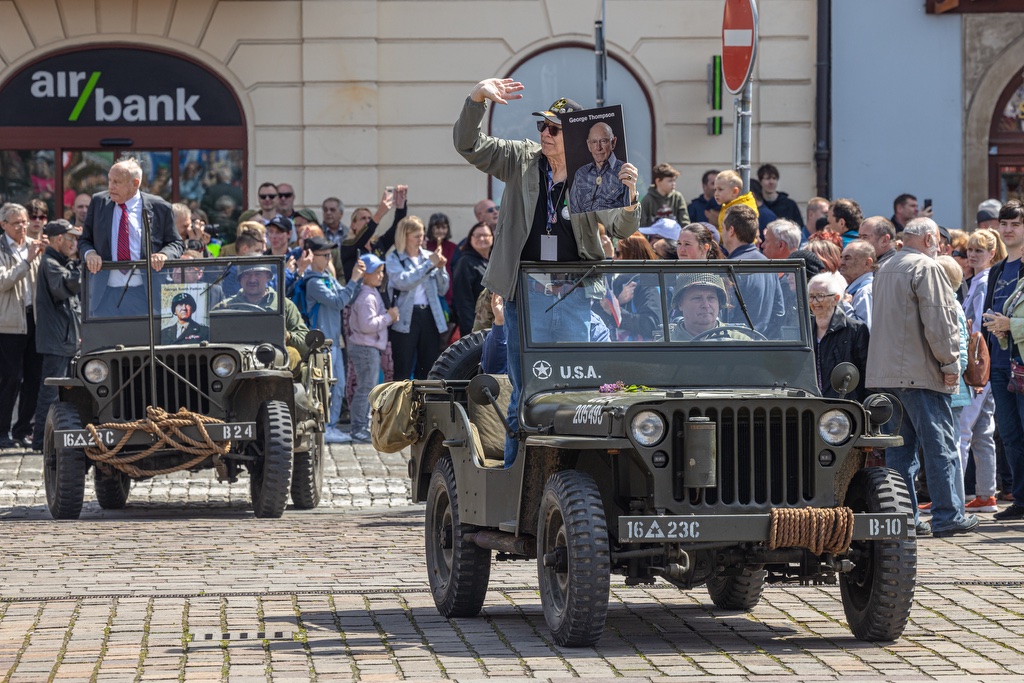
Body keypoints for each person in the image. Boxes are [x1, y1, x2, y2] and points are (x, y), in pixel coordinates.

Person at [454, 78, 640, 466]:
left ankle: (570, 473)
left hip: (573, 296)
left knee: (572, 389)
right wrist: (476, 98)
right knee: (526, 390)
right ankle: (514, 474)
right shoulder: (522, 158)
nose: (544, 133)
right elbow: (468, 144)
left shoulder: (594, 173)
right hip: (526, 294)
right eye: (542, 126)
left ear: (572, 136)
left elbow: (623, 229)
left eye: (554, 128)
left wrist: (630, 196)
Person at [867, 216, 976, 538]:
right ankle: (949, 515)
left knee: (900, 451)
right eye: (939, 242)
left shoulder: (886, 267)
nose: (941, 247)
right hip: (920, 373)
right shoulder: (926, 268)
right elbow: (940, 323)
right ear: (929, 239)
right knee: (939, 446)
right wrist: (951, 365)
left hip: (888, 375)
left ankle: (905, 517)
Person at [79, 157, 183, 316]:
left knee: (141, 341)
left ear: (135, 183)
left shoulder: (159, 207)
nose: (110, 186)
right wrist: (90, 253)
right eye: (110, 180)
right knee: (106, 341)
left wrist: (163, 255)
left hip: (145, 295)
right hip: (104, 295)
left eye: (117, 182)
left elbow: (176, 243)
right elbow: (85, 240)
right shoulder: (99, 202)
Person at [952, 231, 1002, 515]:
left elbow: (977, 328)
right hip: (984, 361)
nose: (972, 255)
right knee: (982, 431)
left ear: (992, 254)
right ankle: (986, 494)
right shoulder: (979, 280)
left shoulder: (983, 281)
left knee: (963, 429)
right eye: (970, 250)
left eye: (979, 251)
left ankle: (955, 496)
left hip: (978, 362)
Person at [297, 236, 365, 442]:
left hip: (334, 341)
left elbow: (347, 296)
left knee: (339, 385)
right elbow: (338, 302)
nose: (329, 259)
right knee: (325, 387)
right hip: (321, 343)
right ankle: (325, 426)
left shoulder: (327, 276)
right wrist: (353, 279)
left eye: (329, 255)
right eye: (325, 255)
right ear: (313, 256)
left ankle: (331, 425)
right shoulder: (313, 282)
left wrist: (359, 279)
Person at [982, 199, 1024, 520]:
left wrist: (1011, 325)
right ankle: (1020, 499)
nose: (1008, 230)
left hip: (1021, 363)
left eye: (1015, 224)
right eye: (1004, 224)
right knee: (1008, 435)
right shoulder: (996, 269)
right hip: (998, 363)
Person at [30, 219, 82, 452]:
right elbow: (64, 287)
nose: (75, 243)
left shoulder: (58, 261)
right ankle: (41, 440)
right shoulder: (51, 262)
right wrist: (80, 263)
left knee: (58, 392)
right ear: (59, 239)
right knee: (50, 392)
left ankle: (45, 439)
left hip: (63, 339)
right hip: (56, 340)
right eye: (72, 239)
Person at [0, 203, 45, 449]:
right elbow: (2, 281)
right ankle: (2, 430)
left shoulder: (33, 245)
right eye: (16, 223)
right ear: (4, 224)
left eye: (24, 221)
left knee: (34, 378)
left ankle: (23, 430)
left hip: (34, 320)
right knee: (11, 379)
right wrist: (26, 262)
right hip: (8, 324)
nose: (22, 226)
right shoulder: (2, 247)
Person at [386, 216, 450, 380]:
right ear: (404, 237)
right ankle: (402, 404)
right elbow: (403, 282)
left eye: (422, 235)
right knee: (403, 368)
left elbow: (443, 290)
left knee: (428, 368)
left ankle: (425, 405)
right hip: (405, 317)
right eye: (416, 236)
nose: (420, 240)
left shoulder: (429, 256)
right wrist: (429, 265)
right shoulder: (394, 258)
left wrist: (441, 269)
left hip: (429, 314)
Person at [215, 262, 310, 369]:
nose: (252, 279)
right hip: (234, 364)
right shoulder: (225, 307)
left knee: (292, 354)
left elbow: (306, 344)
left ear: (268, 277)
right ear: (240, 279)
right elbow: (209, 338)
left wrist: (287, 336)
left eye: (258, 274)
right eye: (247, 275)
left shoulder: (284, 305)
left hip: (275, 365)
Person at [347, 254, 399, 443]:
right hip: (365, 347)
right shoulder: (366, 296)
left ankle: (361, 425)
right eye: (375, 272)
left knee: (367, 387)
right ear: (364, 274)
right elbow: (366, 325)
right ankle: (358, 428)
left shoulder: (370, 292)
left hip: (368, 347)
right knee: (365, 388)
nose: (380, 275)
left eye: (381, 271)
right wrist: (389, 318)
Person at [721, 205, 784, 335]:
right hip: (763, 346)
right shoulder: (768, 264)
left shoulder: (729, 268)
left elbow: (724, 315)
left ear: (731, 230)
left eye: (723, 228)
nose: (722, 233)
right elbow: (779, 312)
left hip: (734, 345)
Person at [808, 272, 869, 401]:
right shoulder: (805, 330)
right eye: (811, 296)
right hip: (811, 405)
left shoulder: (855, 330)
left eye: (820, 296)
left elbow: (865, 375)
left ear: (836, 299)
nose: (815, 302)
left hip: (844, 407)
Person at [569, 122, 631, 213]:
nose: (598, 148)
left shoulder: (625, 172)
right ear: (589, 145)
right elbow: (573, 212)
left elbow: (629, 216)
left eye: (603, 141)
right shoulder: (581, 173)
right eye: (594, 142)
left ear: (613, 143)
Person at [452, 222, 493, 337]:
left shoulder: (494, 262)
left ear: (492, 238)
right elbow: (463, 301)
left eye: (485, 235)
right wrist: (471, 331)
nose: (481, 238)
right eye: (477, 235)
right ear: (470, 238)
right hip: (475, 327)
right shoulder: (465, 263)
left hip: (494, 325)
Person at [669, 272, 730, 341]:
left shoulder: (741, 342)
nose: (706, 305)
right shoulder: (663, 347)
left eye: (711, 298)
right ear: (680, 304)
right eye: (697, 298)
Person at [426, 213, 459, 321]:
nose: (441, 231)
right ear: (431, 229)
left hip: (449, 294)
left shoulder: (453, 247)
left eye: (444, 227)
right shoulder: (425, 247)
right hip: (429, 295)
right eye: (437, 227)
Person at [838, 240, 875, 329]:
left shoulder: (865, 291)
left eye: (847, 258)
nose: (841, 263)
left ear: (867, 263)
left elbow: (864, 330)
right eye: (841, 257)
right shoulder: (859, 288)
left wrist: (845, 305)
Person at [640, 163, 690, 227]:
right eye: (670, 181)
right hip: (653, 236)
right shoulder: (648, 200)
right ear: (658, 181)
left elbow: (684, 222)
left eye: (674, 181)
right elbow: (642, 224)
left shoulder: (677, 197)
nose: (673, 184)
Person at [757, 164, 805, 229]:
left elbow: (799, 227)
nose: (771, 182)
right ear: (760, 181)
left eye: (774, 178)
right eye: (767, 178)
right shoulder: (758, 204)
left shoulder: (789, 205)